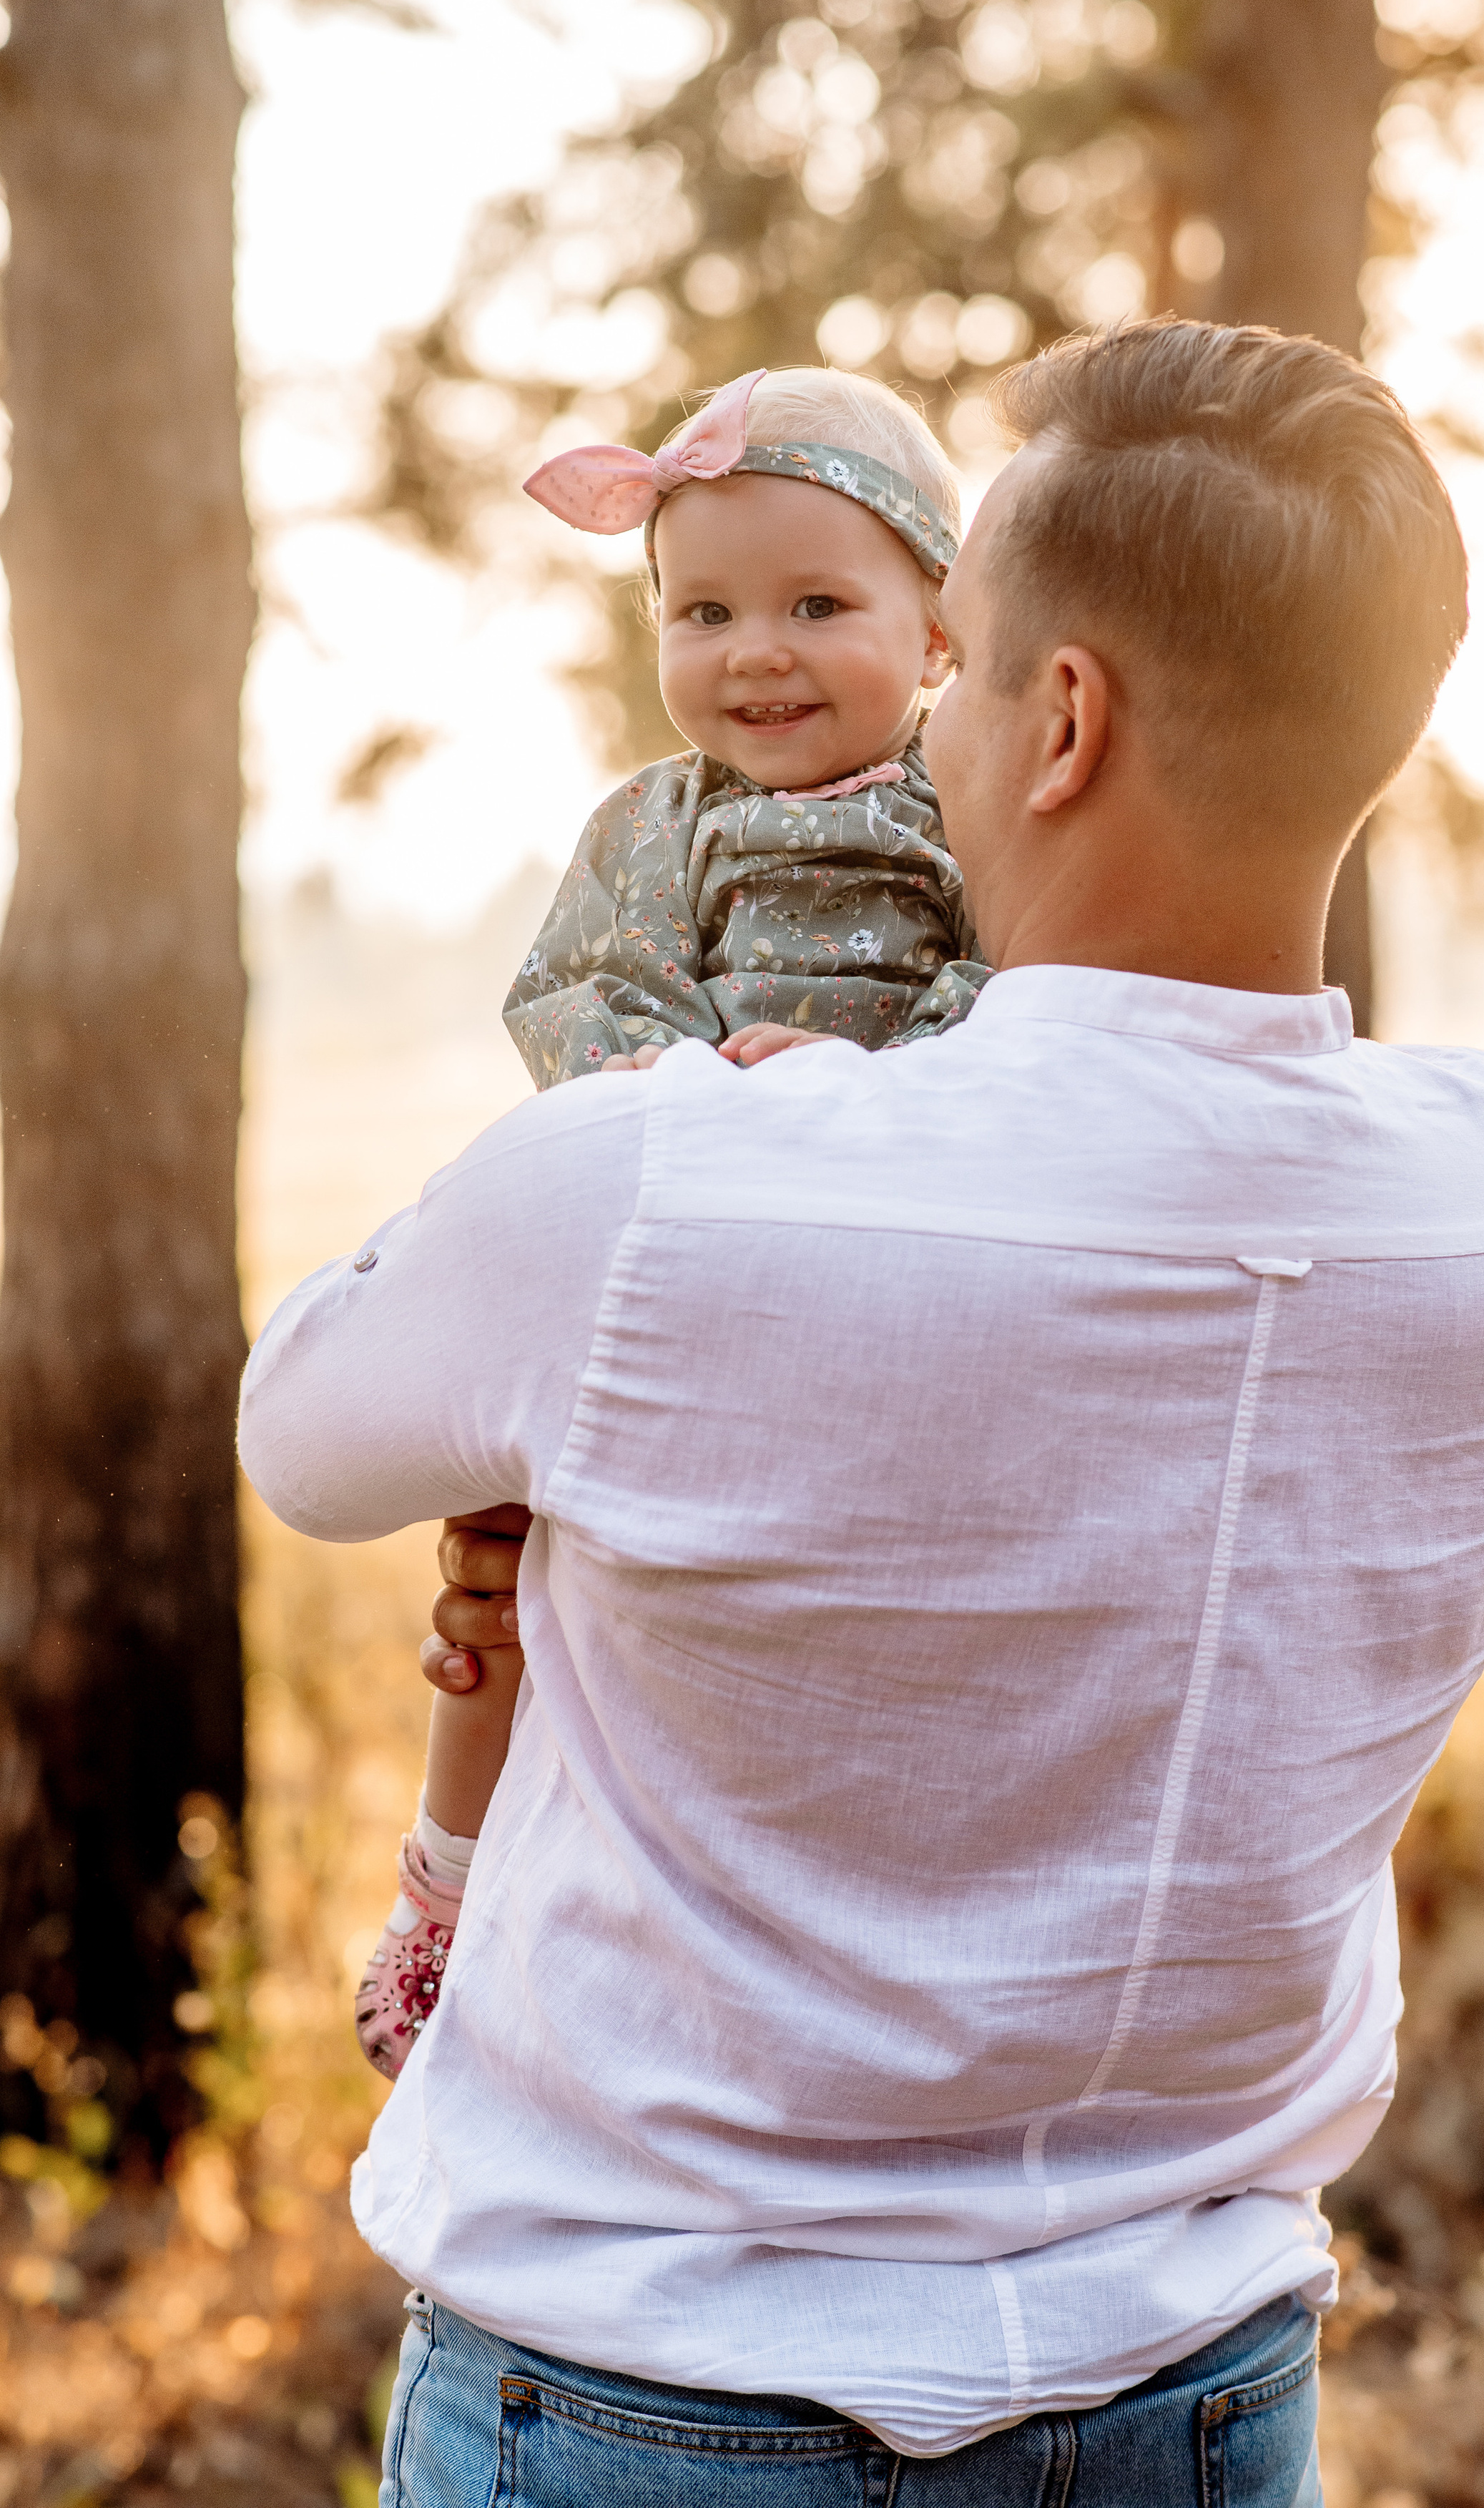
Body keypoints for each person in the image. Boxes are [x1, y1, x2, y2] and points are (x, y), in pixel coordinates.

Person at [238, 318, 1484, 2506]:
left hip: (647, 2396)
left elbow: (304, 1430)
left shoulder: (664, 1182)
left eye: (950, 660)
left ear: (1061, 723)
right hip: (1203, 2394)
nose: (920, 723)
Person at [354, 366, 990, 2080]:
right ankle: (453, 1877)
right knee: (515, 1544)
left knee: (790, 1585)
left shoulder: (967, 802)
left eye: (815, 606)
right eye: (701, 611)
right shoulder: (651, 823)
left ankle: (795, 1908)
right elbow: (576, 986)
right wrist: (673, 1073)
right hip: (664, 1221)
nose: (753, 653)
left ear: (942, 627)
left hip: (880, 1239)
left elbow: (1008, 981)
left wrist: (874, 1080)